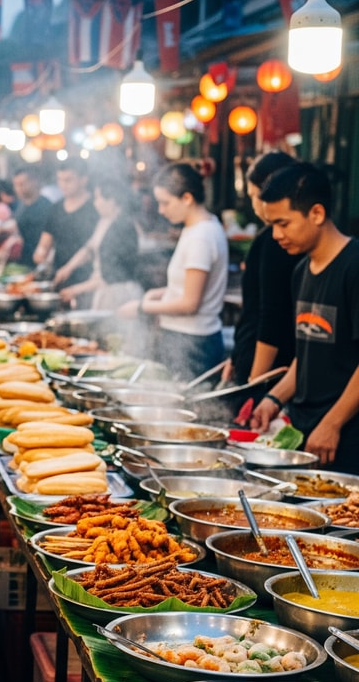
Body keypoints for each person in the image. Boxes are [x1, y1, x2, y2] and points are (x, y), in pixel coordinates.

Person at [250, 163, 359, 471]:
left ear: (317, 214)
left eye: (283, 223)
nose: (276, 235)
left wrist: (333, 423)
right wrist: (274, 397)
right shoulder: (301, 271)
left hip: (345, 438)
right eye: (272, 224)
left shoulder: (353, 267)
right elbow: (309, 353)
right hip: (305, 432)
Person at [122, 163, 228, 380]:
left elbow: (190, 303)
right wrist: (160, 293)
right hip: (189, 338)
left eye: (165, 202)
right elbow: (189, 286)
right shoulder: (200, 228)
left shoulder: (201, 236)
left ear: (187, 198)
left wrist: (142, 307)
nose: (161, 210)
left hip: (192, 343)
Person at [224, 151, 300, 393]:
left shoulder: (274, 242)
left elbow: (271, 316)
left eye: (254, 196)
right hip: (258, 360)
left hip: (268, 371)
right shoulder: (274, 238)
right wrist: (236, 356)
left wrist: (255, 384)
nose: (254, 204)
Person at [54, 178, 141, 310]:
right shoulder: (105, 221)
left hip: (118, 294)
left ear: (112, 200)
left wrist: (76, 289)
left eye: (98, 198)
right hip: (104, 290)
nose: (95, 203)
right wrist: (68, 267)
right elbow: (89, 249)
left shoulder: (123, 228)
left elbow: (112, 275)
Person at [33, 161, 98, 293]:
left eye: (68, 180)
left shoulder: (96, 207)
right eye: (60, 180)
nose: (63, 185)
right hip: (61, 276)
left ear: (83, 180)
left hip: (89, 279)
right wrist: (40, 254)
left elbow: (94, 247)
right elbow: (45, 242)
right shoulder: (56, 208)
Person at [12, 166, 52, 265]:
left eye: (22, 184)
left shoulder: (46, 206)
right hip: (24, 258)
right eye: (16, 185)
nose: (18, 188)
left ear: (33, 182)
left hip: (41, 259)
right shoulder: (19, 205)